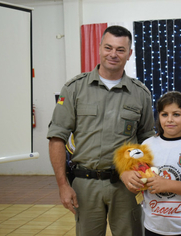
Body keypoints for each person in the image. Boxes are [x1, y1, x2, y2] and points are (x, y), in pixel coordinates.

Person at [47, 25, 155, 236]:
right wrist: (62, 185)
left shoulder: (140, 93)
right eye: (108, 47)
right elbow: (56, 138)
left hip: (126, 187)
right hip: (86, 186)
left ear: (129, 54)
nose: (113, 54)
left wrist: (140, 173)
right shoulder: (74, 89)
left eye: (120, 49)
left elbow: (147, 140)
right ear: (99, 48)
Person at [122, 91, 181, 236]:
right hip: (153, 227)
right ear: (158, 116)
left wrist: (168, 185)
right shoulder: (147, 145)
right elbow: (137, 186)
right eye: (164, 114)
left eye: (176, 114)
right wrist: (133, 181)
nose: (170, 119)